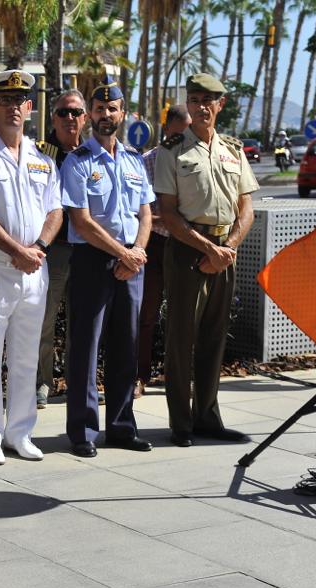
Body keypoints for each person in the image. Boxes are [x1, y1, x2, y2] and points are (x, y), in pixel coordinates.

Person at [0, 70, 63, 465]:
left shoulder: (44, 159)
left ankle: (20, 432)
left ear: (29, 108)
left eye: (19, 101)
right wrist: (15, 249)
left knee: (25, 356)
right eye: (4, 100)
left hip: (35, 269)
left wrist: (36, 248)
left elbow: (55, 209)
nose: (12, 108)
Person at [153, 73, 258, 447]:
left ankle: (208, 417)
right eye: (195, 99)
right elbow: (167, 213)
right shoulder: (173, 150)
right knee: (182, 339)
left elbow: (246, 207)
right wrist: (208, 249)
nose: (201, 107)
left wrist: (227, 248)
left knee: (215, 338)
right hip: (187, 252)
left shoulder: (233, 149)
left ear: (221, 105)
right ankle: (181, 423)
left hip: (224, 252)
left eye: (209, 100)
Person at [62, 83, 154, 458]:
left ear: (123, 114)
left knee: (126, 347)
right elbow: (81, 221)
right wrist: (123, 253)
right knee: (85, 348)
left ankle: (120, 426)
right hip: (93, 262)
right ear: (90, 115)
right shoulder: (77, 161)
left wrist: (137, 253)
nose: (105, 115)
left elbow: (145, 213)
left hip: (132, 264)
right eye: (98, 108)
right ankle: (83, 431)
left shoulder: (134, 160)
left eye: (111, 109)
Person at [36, 89, 87, 408]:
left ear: (85, 118)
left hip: (86, 251)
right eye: (64, 112)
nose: (70, 118)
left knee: (82, 323)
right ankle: (42, 383)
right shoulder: (40, 154)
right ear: (53, 117)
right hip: (52, 251)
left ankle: (76, 381)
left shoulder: (92, 153)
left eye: (76, 112)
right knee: (45, 320)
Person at [136, 103, 191, 399]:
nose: (184, 139)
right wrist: (169, 221)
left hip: (186, 246)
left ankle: (179, 379)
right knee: (147, 315)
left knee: (183, 317)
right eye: (179, 132)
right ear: (166, 127)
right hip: (155, 244)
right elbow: (137, 212)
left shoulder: (196, 162)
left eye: (189, 132)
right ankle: (139, 377)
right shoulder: (148, 162)